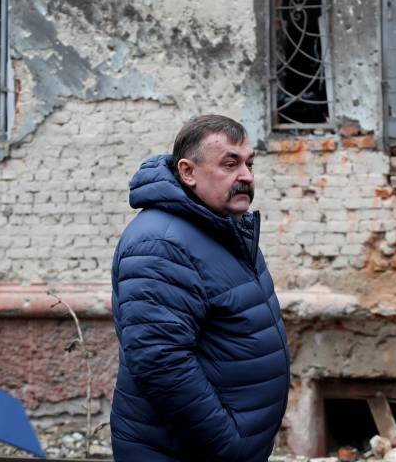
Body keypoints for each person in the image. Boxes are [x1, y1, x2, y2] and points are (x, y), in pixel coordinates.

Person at [110, 114, 291, 462]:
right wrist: (229, 444)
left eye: (249, 164)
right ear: (188, 172)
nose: (247, 176)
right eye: (230, 164)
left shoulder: (222, 228)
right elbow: (160, 361)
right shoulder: (161, 243)